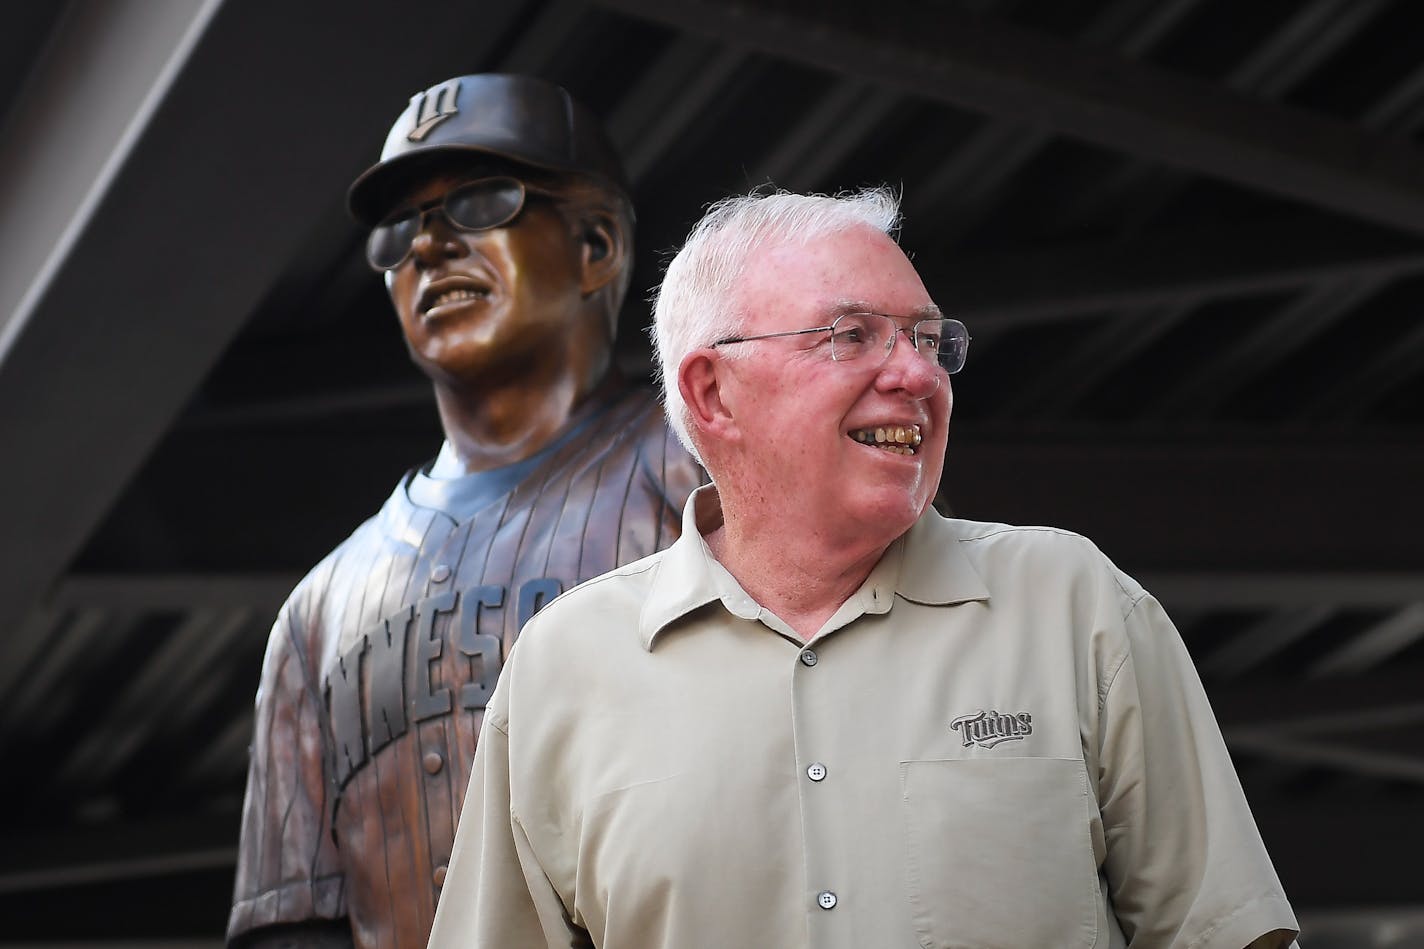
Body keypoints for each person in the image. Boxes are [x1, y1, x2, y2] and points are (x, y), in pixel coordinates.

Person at [427, 187, 1301, 948]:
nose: (918, 373)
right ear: (712, 393)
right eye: (852, 335)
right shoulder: (563, 667)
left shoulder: (1076, 606)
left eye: (929, 339)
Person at [226, 74, 704, 949]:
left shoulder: (707, 471)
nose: (429, 246)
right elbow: (291, 926)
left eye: (482, 202)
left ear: (595, 243)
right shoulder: (319, 608)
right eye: (400, 230)